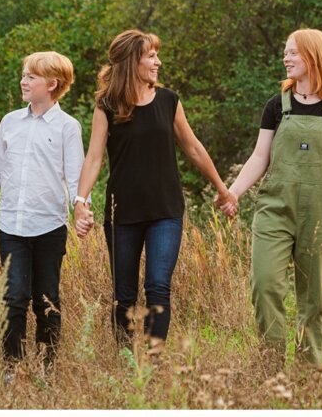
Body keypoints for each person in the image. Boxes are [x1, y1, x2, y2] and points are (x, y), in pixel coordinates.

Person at [73, 29, 236, 349]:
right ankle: (126, 359)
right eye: (151, 56)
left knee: (159, 285)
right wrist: (81, 201)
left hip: (166, 211)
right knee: (124, 294)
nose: (158, 62)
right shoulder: (107, 105)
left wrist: (222, 189)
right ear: (132, 61)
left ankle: (154, 358)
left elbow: (193, 148)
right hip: (123, 213)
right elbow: (94, 158)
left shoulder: (168, 100)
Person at [220, 29, 322, 367]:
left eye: (293, 53)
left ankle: (307, 375)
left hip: (320, 213)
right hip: (275, 209)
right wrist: (234, 193)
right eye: (286, 52)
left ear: (314, 57)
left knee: (314, 298)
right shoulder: (277, 106)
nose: (286, 58)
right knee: (265, 285)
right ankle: (271, 365)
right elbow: (260, 157)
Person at [0, 52, 84, 365]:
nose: (23, 81)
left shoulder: (68, 127)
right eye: (23, 75)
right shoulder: (10, 122)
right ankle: (13, 370)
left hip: (50, 227)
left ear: (52, 84)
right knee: (14, 298)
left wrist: (81, 208)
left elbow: (77, 177)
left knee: (46, 299)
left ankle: (47, 368)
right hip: (11, 225)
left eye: (31, 77)